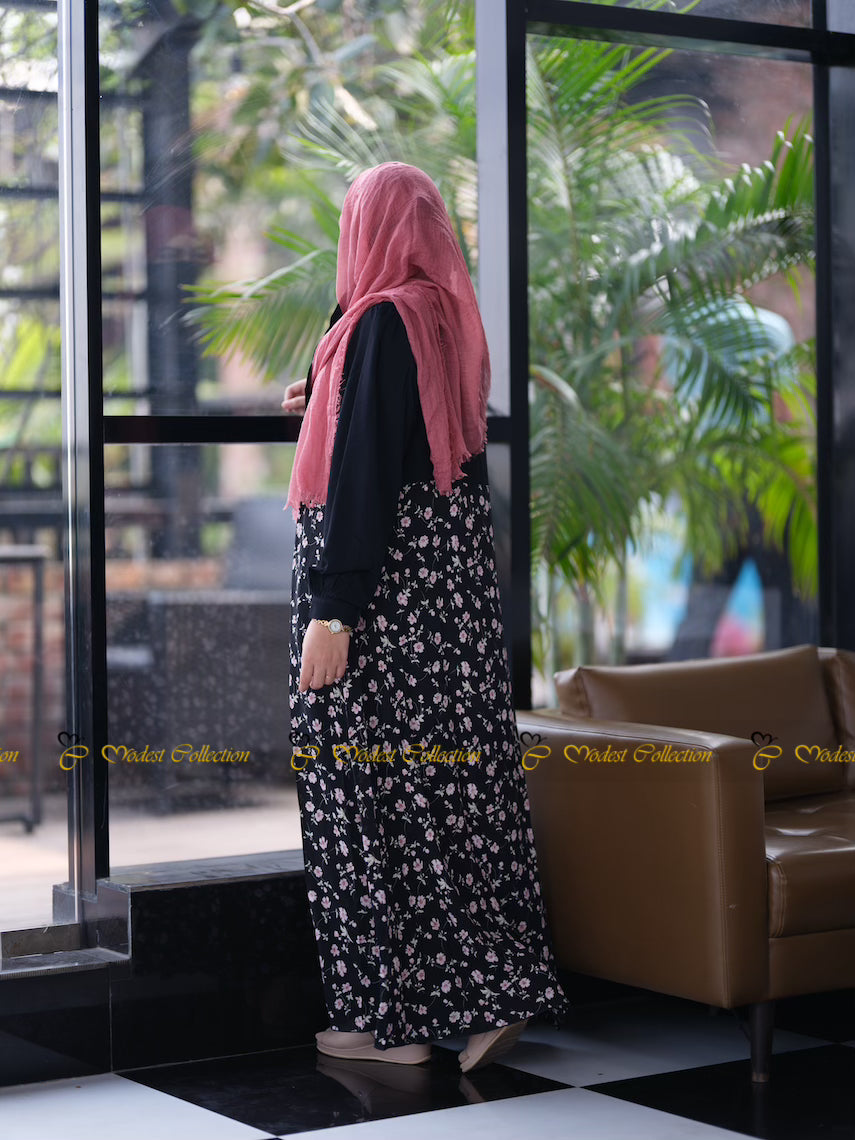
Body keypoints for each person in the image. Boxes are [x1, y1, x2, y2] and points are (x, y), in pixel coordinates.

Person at [282, 162, 569, 1073]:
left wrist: (333, 612)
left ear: (365, 230)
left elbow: (365, 471)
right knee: (454, 795)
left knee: (359, 794)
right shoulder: (442, 319)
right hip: (446, 617)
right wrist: (324, 391)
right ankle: (491, 995)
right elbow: (401, 429)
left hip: (380, 611)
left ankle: (389, 1023)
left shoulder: (377, 322)